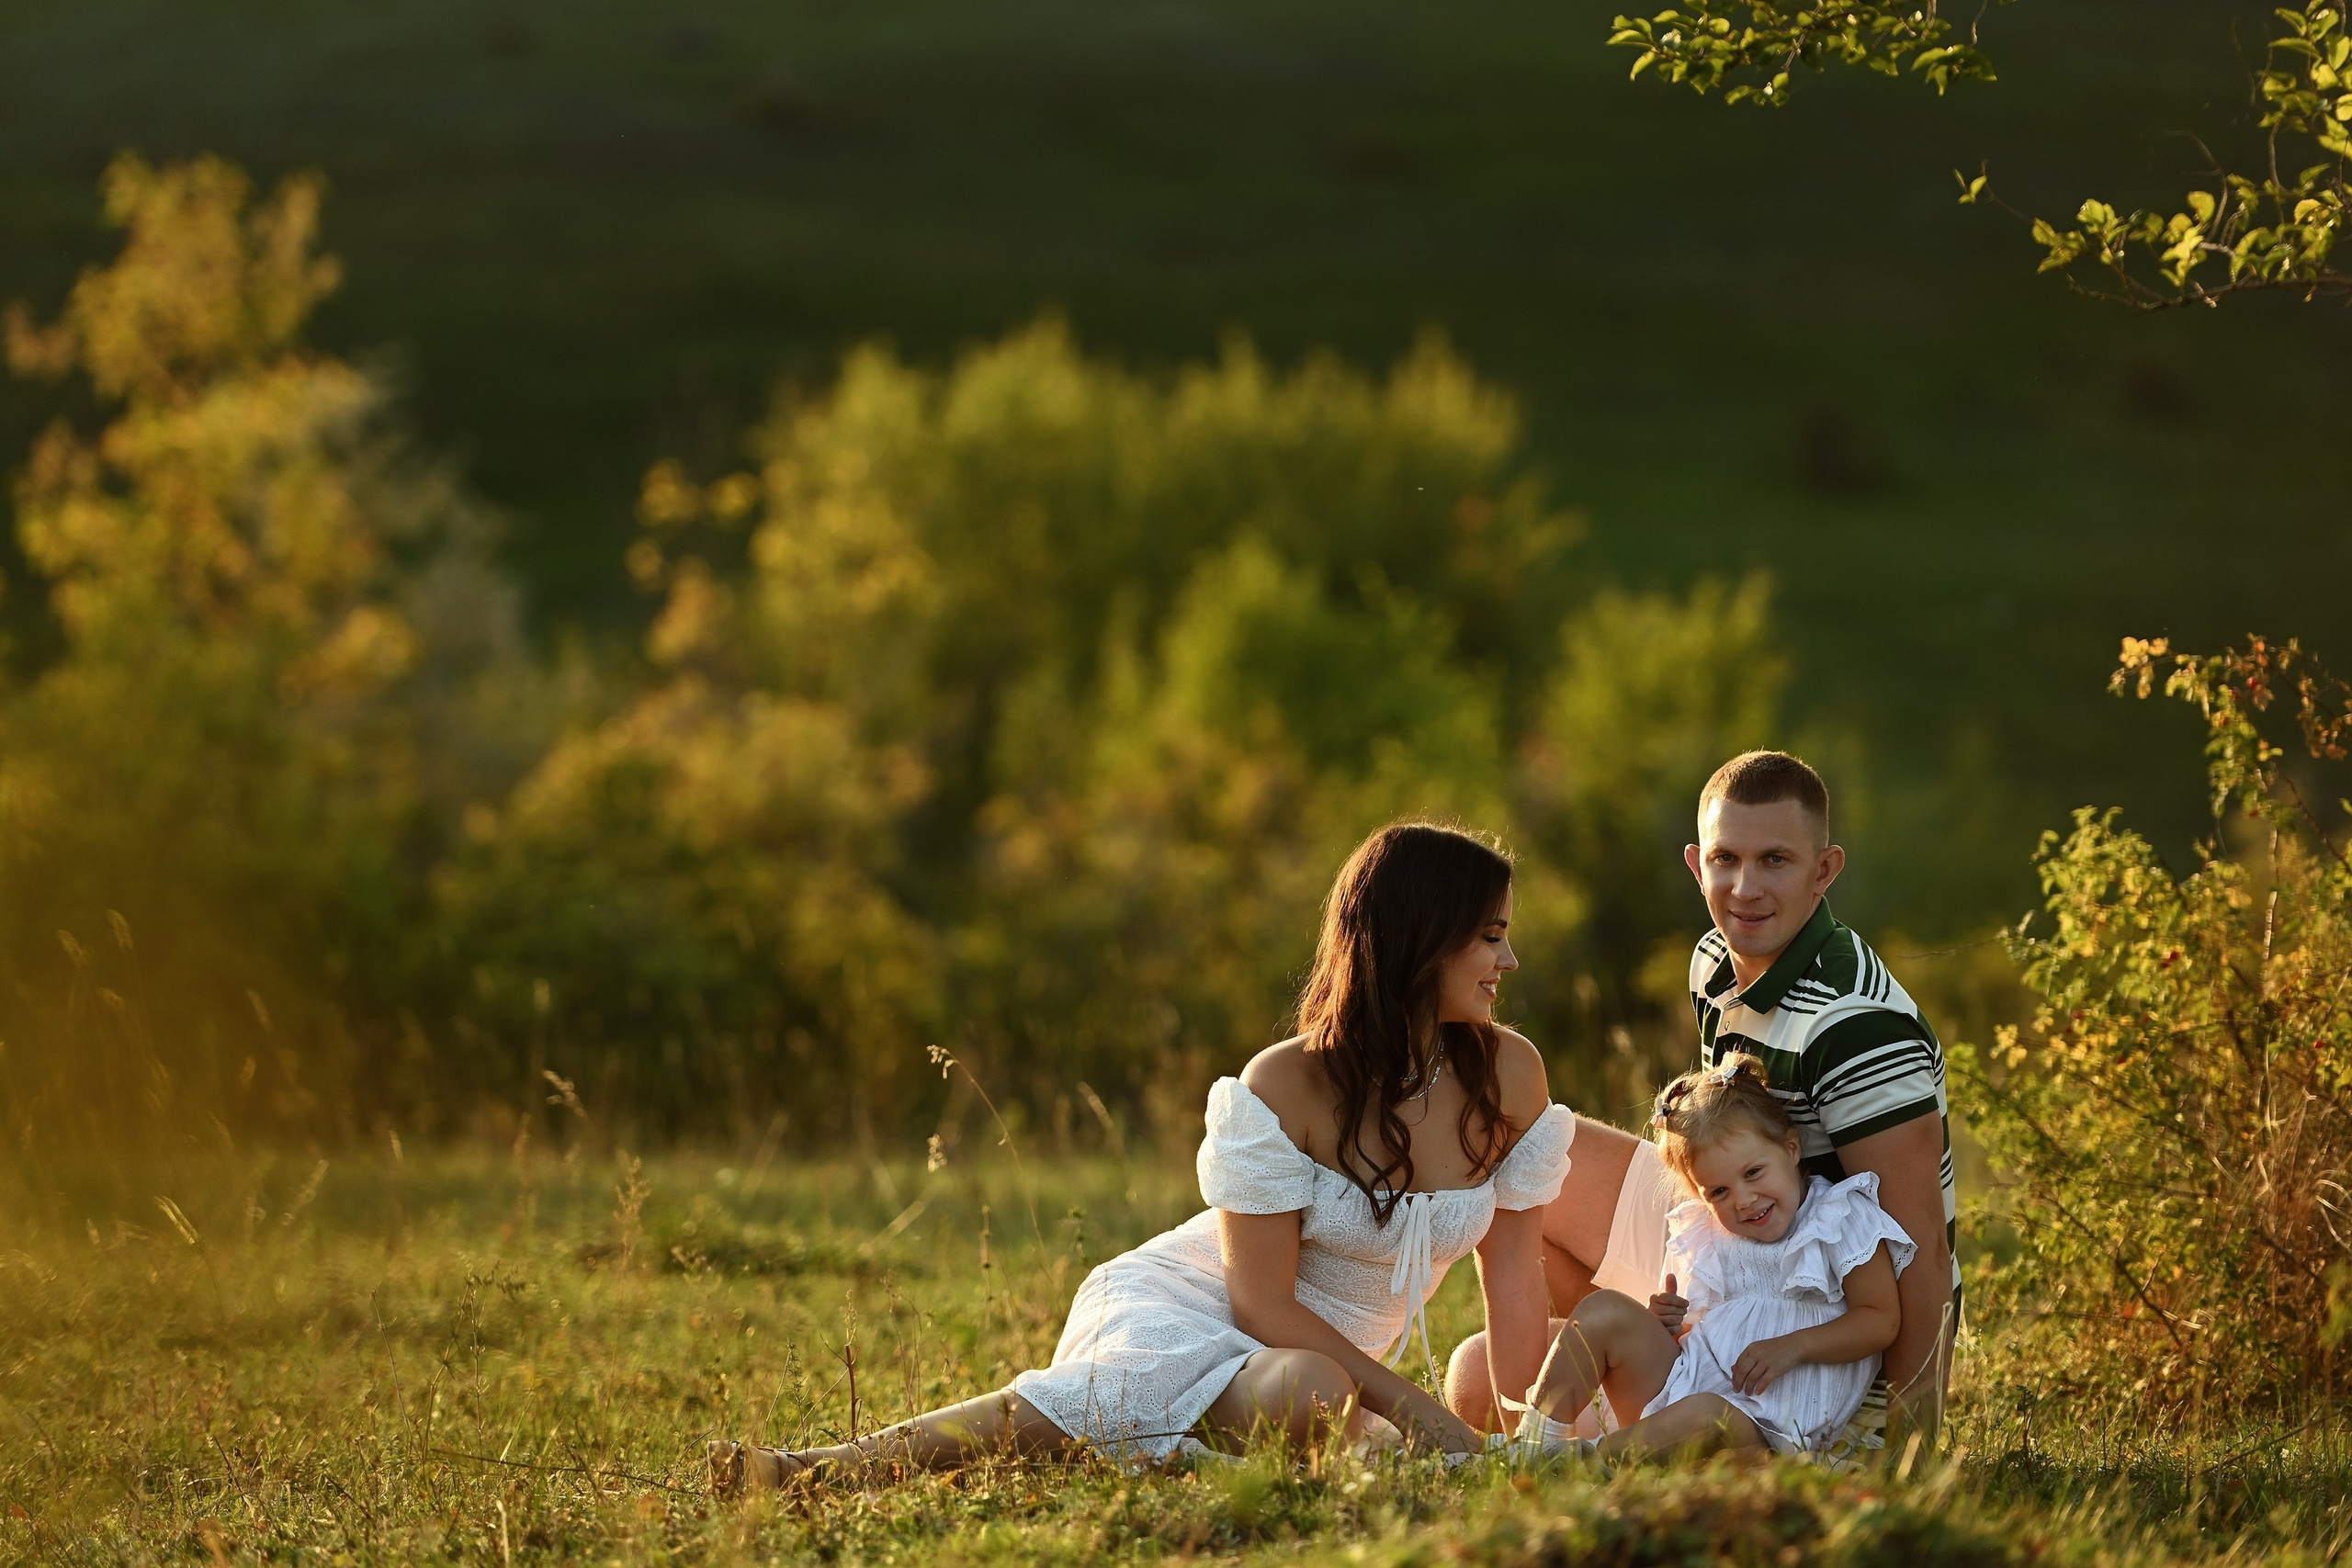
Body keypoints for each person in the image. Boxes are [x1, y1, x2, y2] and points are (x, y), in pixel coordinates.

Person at [711, 822, 1571, 1491]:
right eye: (1490, 936)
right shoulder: (1287, 1082)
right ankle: (812, 1469)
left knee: (1318, 1397)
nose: (1509, 959)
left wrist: (1535, 1437)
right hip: (1204, 1305)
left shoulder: (1509, 1076)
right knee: (1309, 1390)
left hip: (1322, 1372)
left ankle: (1154, 1449)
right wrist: (1418, 1411)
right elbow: (1261, 1303)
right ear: (1424, 937)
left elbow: (1513, 1281)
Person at [1446, 750, 1957, 1461]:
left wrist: (1900, 1443)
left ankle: (1644, 1432)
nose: (1746, 888)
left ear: (1824, 870)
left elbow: (1922, 1246)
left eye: (1775, 859)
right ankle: (1573, 1418)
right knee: (1477, 1368)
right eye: (1726, 859)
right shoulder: (1714, 961)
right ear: (1696, 864)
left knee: (1490, 1365)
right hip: (1736, 1237)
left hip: (1818, 1295)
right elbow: (1724, 1132)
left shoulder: (1857, 1028)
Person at [1506, 1055, 1914, 1464]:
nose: (1743, 1200)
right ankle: (1533, 1445)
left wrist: (1794, 1347)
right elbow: (1707, 1333)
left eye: (1753, 1173)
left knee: (1708, 1413)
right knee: (1603, 1312)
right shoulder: (1708, 1234)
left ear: (1791, 1148)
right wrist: (1667, 1325)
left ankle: (1580, 1463)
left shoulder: (1837, 1216)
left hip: (1763, 1435)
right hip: (1681, 1392)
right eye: (1718, 1192)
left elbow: (1881, 1319)